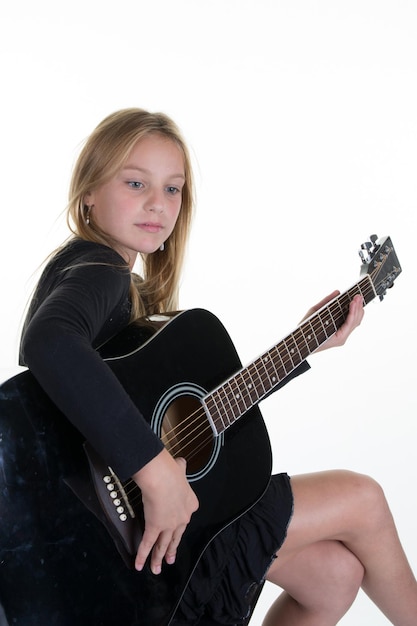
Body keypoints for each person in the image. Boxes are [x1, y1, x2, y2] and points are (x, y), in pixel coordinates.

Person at [1, 107, 416, 626]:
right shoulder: (99, 272)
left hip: (124, 539)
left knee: (334, 575)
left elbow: (175, 408)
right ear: (88, 193)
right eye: (136, 183)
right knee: (364, 498)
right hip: (143, 532)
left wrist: (308, 344)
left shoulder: (106, 279)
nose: (158, 204)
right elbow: (50, 343)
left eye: (172, 189)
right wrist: (154, 472)